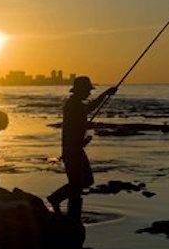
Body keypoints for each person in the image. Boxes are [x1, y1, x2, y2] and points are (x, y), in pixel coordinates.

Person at [47, 76, 117, 217]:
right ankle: (58, 200)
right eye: (87, 90)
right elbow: (89, 109)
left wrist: (82, 140)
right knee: (81, 181)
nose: (89, 93)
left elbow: (77, 123)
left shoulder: (74, 104)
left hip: (74, 148)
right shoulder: (74, 104)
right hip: (72, 150)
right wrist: (105, 94)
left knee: (80, 181)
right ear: (81, 90)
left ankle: (71, 210)